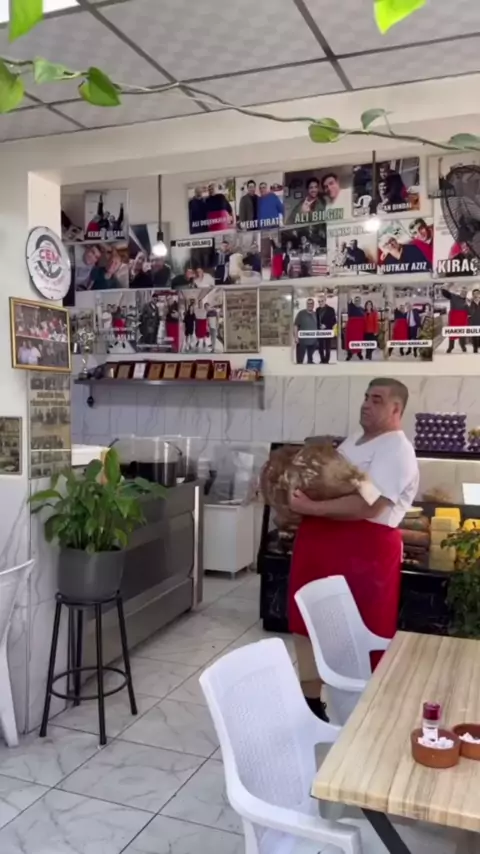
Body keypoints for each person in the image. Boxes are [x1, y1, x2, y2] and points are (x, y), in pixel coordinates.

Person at [288, 378, 419, 720]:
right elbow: (329, 484)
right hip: (320, 544)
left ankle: (363, 711)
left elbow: (370, 506)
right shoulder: (354, 441)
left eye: (377, 400)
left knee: (356, 629)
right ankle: (311, 704)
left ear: (396, 409)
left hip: (363, 552)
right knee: (307, 622)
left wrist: (311, 508)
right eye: (365, 397)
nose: (366, 404)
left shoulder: (396, 449)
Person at [441, 285, 468, 353]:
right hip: (454, 318)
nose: (464, 293)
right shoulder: (454, 296)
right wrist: (448, 285)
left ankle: (462, 345)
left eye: (465, 292)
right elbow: (444, 292)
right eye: (463, 291)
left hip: (462, 319)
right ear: (460, 292)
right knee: (452, 332)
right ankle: (451, 346)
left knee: (462, 333)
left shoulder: (467, 301)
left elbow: (469, 311)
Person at [294, 297, 317, 364]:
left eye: (311, 303)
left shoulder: (315, 314)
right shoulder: (301, 314)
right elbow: (295, 325)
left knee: (310, 360)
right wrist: (296, 337)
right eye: (308, 303)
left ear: (313, 305)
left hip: (313, 341)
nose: (310, 305)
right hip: (302, 341)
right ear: (306, 304)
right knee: (300, 361)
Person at [315, 293, 336, 365]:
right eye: (319, 301)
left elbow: (334, 321)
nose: (320, 303)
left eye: (322, 301)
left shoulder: (331, 309)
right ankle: (322, 359)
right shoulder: (317, 310)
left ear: (325, 300)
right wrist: (318, 326)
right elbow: (316, 320)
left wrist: (326, 325)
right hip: (319, 331)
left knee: (327, 347)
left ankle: (326, 360)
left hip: (328, 331)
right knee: (320, 347)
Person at [345, 296, 365, 361]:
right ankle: (349, 354)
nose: (357, 301)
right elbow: (348, 299)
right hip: (351, 328)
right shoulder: (351, 306)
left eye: (358, 300)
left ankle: (359, 353)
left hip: (359, 329)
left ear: (360, 301)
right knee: (350, 341)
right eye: (356, 300)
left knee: (359, 341)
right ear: (354, 301)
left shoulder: (362, 309)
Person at [469, 289, 480, 353]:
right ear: (473, 295)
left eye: (477, 293)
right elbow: (469, 312)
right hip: (474, 322)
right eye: (474, 294)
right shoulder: (471, 303)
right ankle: (475, 348)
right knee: (474, 335)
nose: (476, 295)